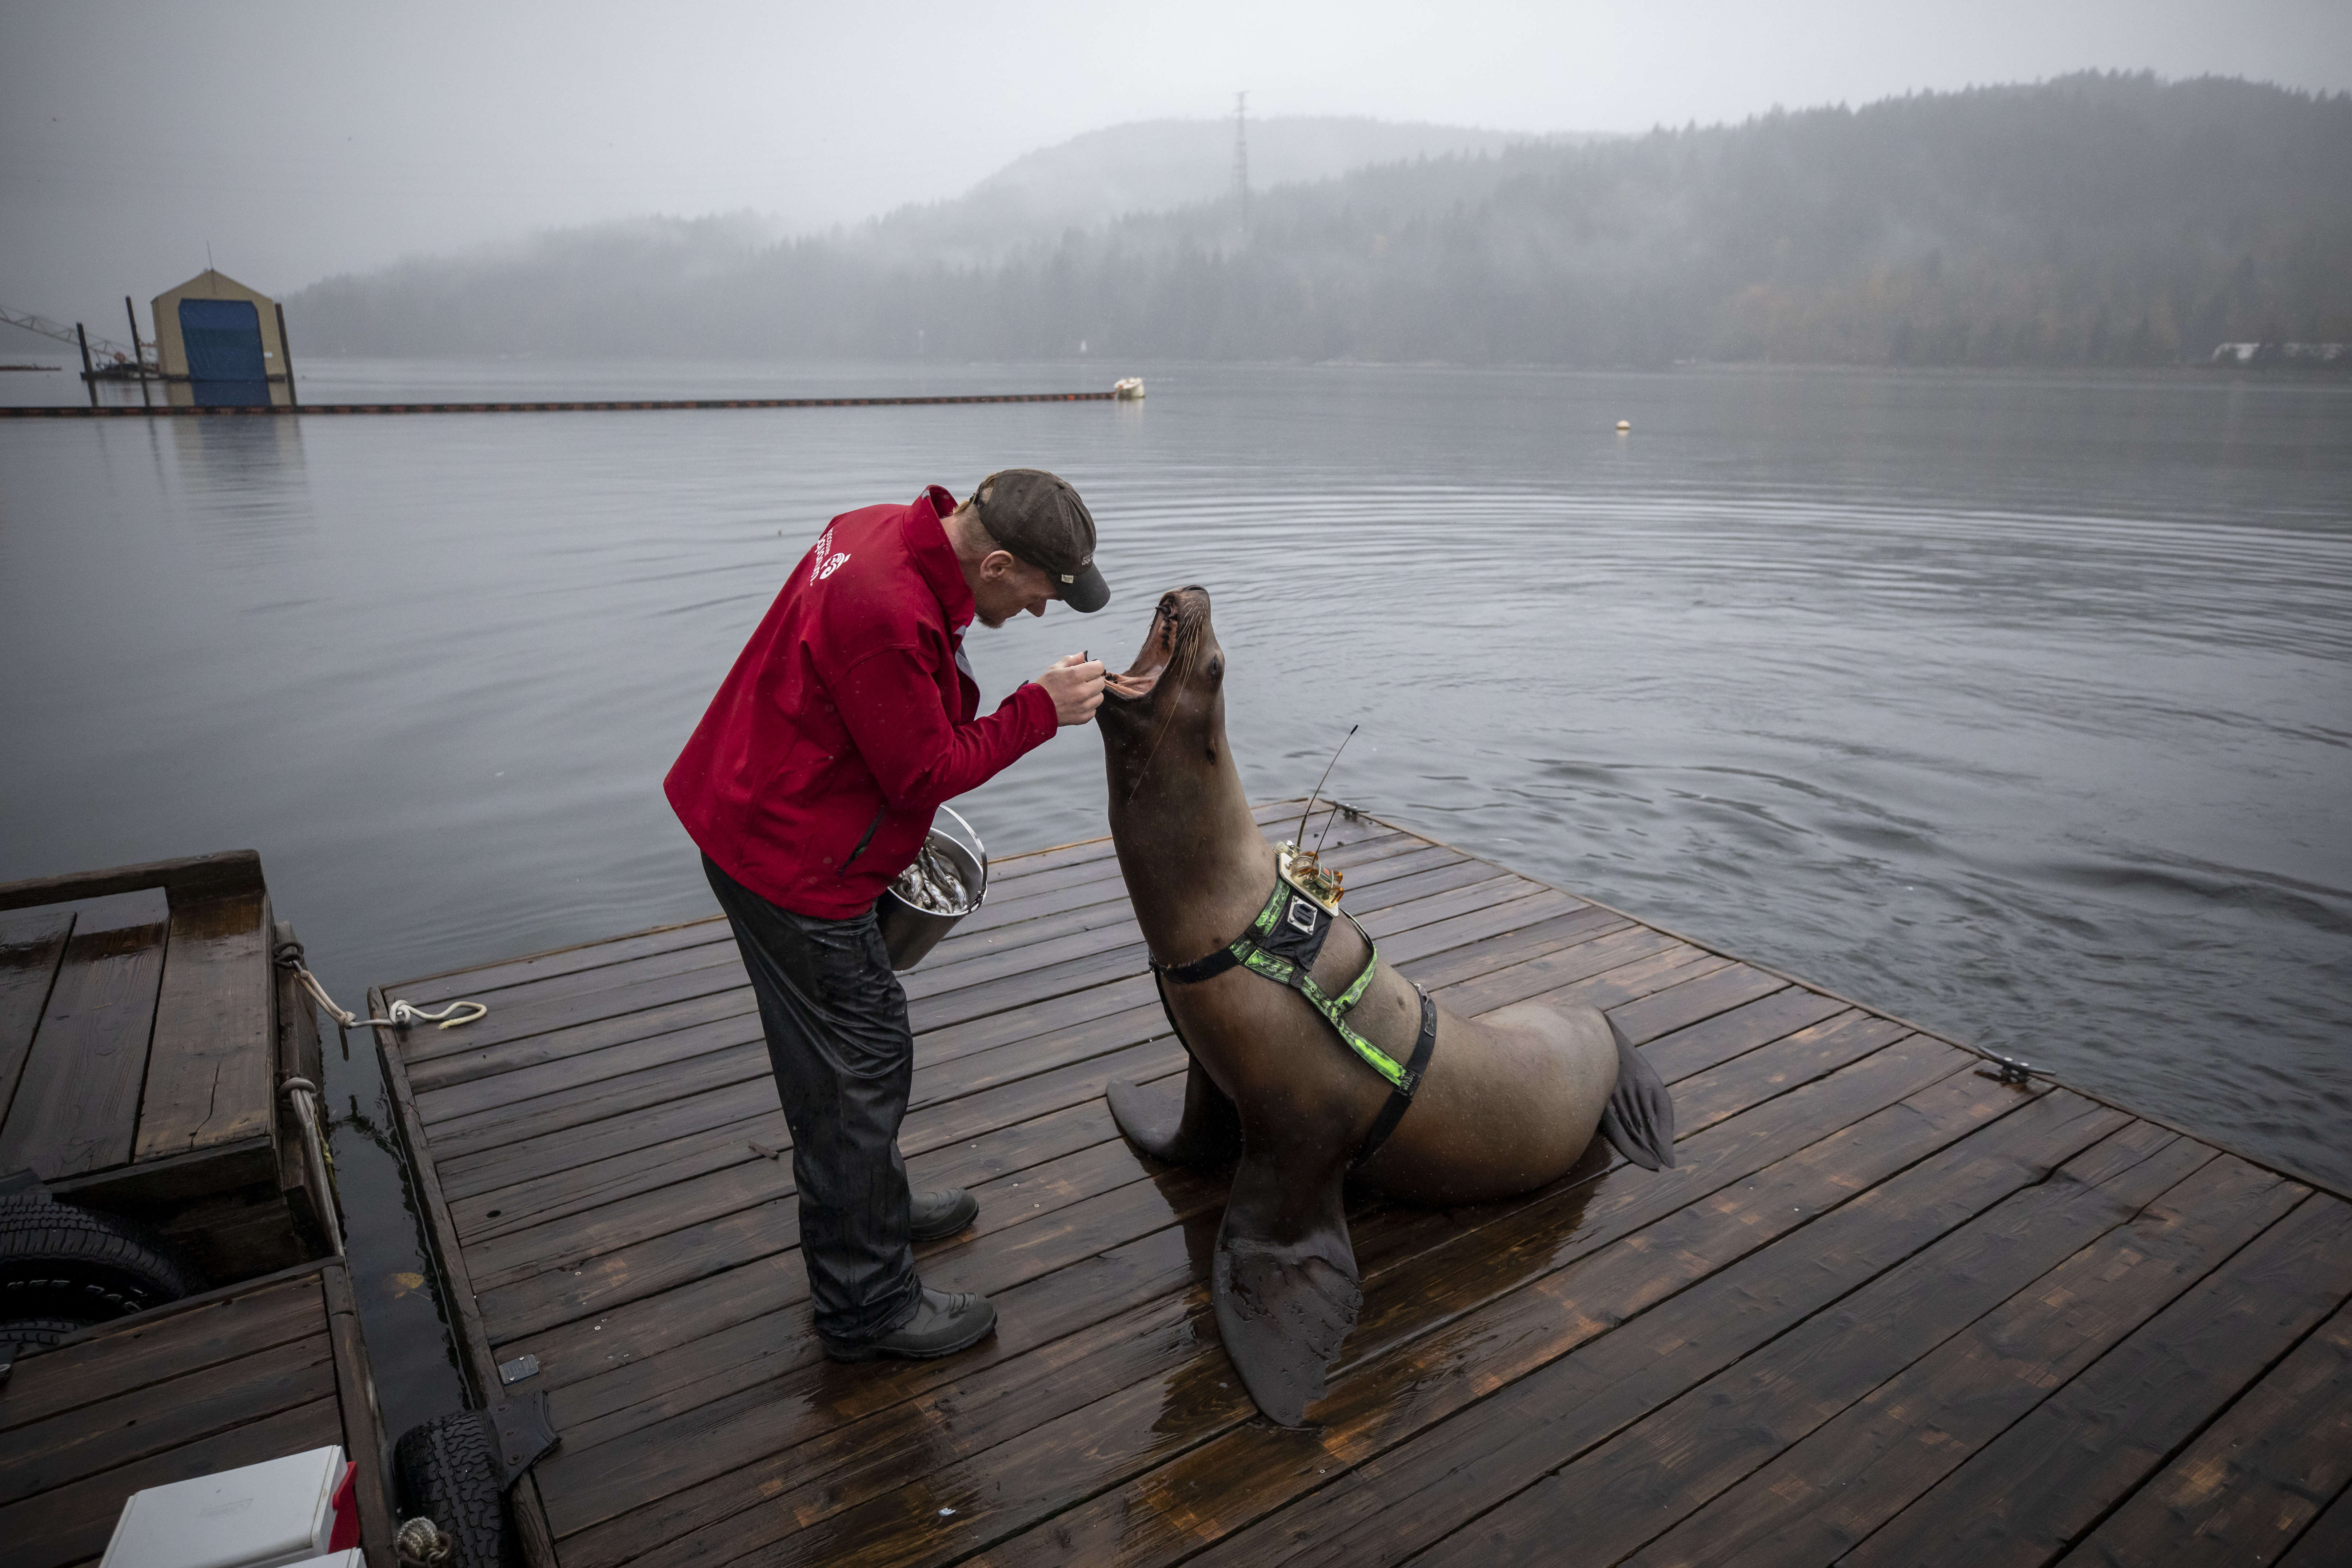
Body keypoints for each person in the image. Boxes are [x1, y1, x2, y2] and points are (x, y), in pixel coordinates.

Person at [664, 470, 1108, 1362]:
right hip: (790, 861)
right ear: (996, 560)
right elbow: (923, 770)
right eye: (1038, 592)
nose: (1040, 612)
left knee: (857, 1056)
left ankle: (876, 1207)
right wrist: (1038, 710)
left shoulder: (876, 530)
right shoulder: (884, 611)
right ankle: (866, 1304)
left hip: (765, 805)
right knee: (855, 1071)